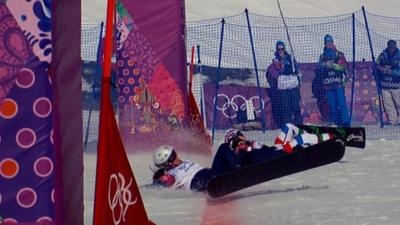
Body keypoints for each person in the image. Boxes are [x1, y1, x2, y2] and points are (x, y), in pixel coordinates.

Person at [151, 123, 333, 192]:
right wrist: (160, 181)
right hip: (208, 181)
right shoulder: (172, 173)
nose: (177, 157)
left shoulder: (182, 164)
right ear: (167, 164)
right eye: (172, 157)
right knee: (223, 148)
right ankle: (240, 171)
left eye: (175, 153)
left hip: (214, 174)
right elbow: (161, 184)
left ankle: (242, 168)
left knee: (240, 153)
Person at [315, 34, 350, 126]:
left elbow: (344, 67)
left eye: (330, 42)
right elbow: (319, 68)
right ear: (325, 44)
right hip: (328, 85)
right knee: (332, 105)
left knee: (341, 103)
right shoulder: (322, 57)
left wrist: (333, 65)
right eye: (327, 43)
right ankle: (337, 123)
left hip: (338, 83)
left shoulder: (339, 54)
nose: (329, 44)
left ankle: (346, 123)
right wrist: (325, 65)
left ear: (333, 43)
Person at [266, 40, 303, 129]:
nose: (281, 51)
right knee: (286, 109)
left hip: (293, 86)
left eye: (282, 49)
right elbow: (273, 73)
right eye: (279, 49)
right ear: (276, 50)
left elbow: (297, 69)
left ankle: (299, 126)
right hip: (283, 88)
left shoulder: (291, 59)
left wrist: (299, 79)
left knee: (295, 107)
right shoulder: (275, 61)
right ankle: (288, 127)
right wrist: (279, 71)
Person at [376, 39, 400, 125]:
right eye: (390, 48)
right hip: (384, 86)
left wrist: (392, 72)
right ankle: (393, 122)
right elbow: (376, 66)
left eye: (393, 48)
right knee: (388, 105)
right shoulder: (382, 55)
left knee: (399, 103)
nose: (391, 49)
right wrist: (380, 68)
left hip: (396, 86)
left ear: (395, 47)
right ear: (388, 47)